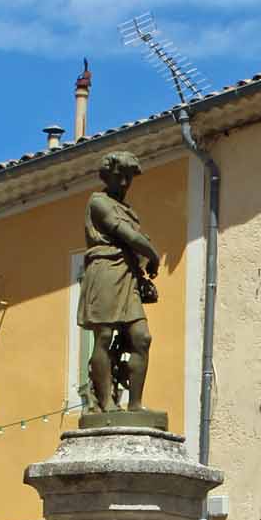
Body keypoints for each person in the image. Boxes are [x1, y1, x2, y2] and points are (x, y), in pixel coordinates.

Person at [78, 150, 159, 413]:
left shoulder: (128, 210)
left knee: (141, 338)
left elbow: (134, 241)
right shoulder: (98, 202)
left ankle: (135, 404)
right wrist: (153, 255)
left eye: (128, 177)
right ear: (107, 176)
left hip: (127, 274)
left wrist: (144, 259)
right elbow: (128, 236)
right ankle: (106, 402)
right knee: (103, 335)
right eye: (118, 176)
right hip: (105, 271)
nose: (124, 183)